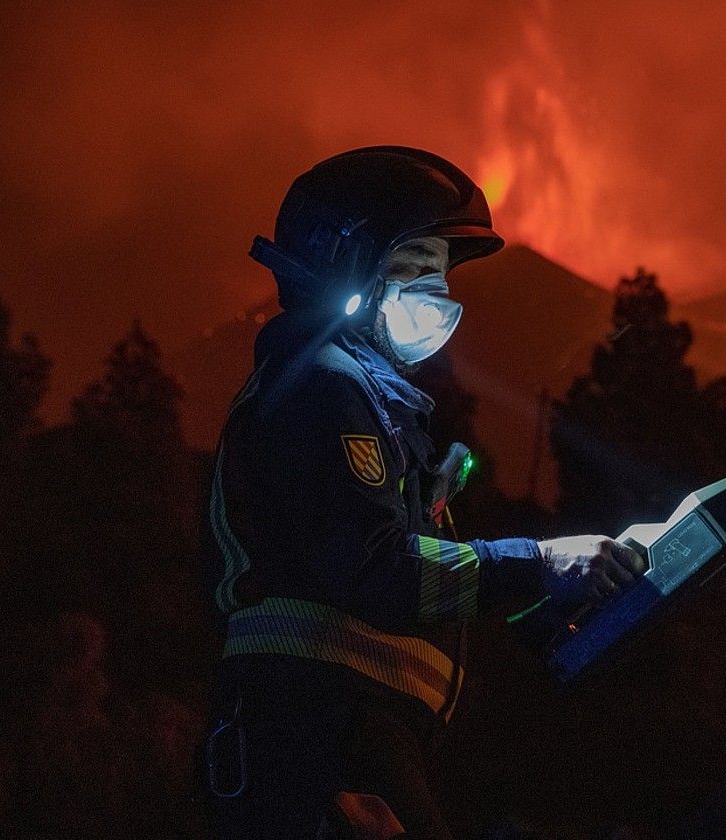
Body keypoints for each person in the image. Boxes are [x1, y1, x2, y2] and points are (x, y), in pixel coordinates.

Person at [201, 146, 645, 839]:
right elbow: (375, 571)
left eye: (436, 276)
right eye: (407, 270)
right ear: (340, 271)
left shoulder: (362, 401)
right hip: (319, 736)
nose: (429, 297)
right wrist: (542, 563)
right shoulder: (324, 387)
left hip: (348, 734)